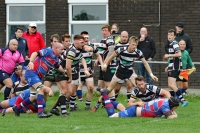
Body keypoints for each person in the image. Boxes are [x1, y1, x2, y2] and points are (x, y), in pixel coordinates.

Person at [92, 36, 158, 112]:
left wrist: (151, 74)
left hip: (130, 72)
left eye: (136, 45)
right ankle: (97, 104)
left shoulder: (138, 52)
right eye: (133, 44)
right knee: (109, 90)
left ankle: (146, 106)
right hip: (119, 72)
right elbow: (111, 56)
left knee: (140, 87)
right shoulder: (121, 50)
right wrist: (105, 65)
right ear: (129, 43)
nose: (134, 47)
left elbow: (145, 63)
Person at [12, 42, 66, 118]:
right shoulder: (48, 51)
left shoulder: (56, 58)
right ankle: (40, 113)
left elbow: (58, 66)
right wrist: (31, 62)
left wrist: (64, 72)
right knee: (41, 89)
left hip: (37, 76)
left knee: (33, 97)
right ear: (56, 48)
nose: (63, 51)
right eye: (61, 49)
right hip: (32, 73)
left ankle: (17, 108)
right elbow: (35, 53)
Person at [98, 88, 179, 119]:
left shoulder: (164, 100)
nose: (175, 109)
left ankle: (108, 102)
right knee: (111, 117)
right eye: (175, 108)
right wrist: (175, 115)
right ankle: (105, 95)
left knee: (123, 109)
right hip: (134, 111)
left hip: (136, 109)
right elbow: (169, 117)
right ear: (172, 105)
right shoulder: (165, 106)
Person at [91, 24, 116, 111]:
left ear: (109, 31)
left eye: (106, 30)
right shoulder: (103, 40)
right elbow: (101, 52)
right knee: (100, 86)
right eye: (103, 30)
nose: (104, 32)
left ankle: (112, 103)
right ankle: (105, 102)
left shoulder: (109, 39)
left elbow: (111, 51)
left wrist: (105, 63)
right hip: (102, 65)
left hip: (108, 66)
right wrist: (98, 60)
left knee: (108, 86)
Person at [76, 31, 103, 110]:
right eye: (84, 38)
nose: (86, 39)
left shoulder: (92, 46)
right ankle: (72, 104)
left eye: (87, 38)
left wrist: (102, 64)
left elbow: (98, 55)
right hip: (78, 71)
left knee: (91, 88)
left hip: (89, 71)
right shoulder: (78, 47)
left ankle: (87, 106)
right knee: (74, 89)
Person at [65, 35, 91, 112]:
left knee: (74, 91)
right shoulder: (72, 51)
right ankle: (60, 105)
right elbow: (68, 67)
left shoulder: (78, 49)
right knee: (70, 91)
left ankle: (72, 107)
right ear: (76, 42)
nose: (83, 44)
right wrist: (70, 77)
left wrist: (86, 70)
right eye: (82, 42)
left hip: (75, 71)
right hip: (69, 72)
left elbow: (82, 59)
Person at [163, 29, 188, 107]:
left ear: (174, 36)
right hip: (172, 66)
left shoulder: (175, 44)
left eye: (171, 35)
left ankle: (182, 100)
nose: (169, 36)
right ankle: (172, 101)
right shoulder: (171, 44)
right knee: (170, 85)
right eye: (168, 34)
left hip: (175, 67)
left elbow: (179, 54)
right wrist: (168, 64)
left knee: (171, 84)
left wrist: (169, 55)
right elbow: (174, 56)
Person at [50, 34, 72, 116]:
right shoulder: (61, 51)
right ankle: (63, 112)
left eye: (69, 41)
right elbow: (57, 63)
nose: (68, 43)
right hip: (59, 72)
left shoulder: (68, 50)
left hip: (63, 71)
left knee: (68, 92)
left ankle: (54, 108)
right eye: (66, 41)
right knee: (64, 91)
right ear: (62, 42)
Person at [113, 31, 133, 102]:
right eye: (123, 36)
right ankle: (112, 101)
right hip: (120, 69)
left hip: (128, 69)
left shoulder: (130, 45)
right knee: (117, 88)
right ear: (120, 37)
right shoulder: (116, 46)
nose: (124, 38)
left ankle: (129, 102)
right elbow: (112, 56)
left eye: (126, 37)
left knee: (129, 85)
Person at [43, 34, 60, 101]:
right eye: (55, 41)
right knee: (44, 90)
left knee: (63, 91)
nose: (56, 43)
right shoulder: (47, 50)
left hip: (58, 73)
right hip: (49, 73)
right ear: (51, 42)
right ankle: (43, 106)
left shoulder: (61, 49)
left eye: (57, 41)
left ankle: (61, 106)